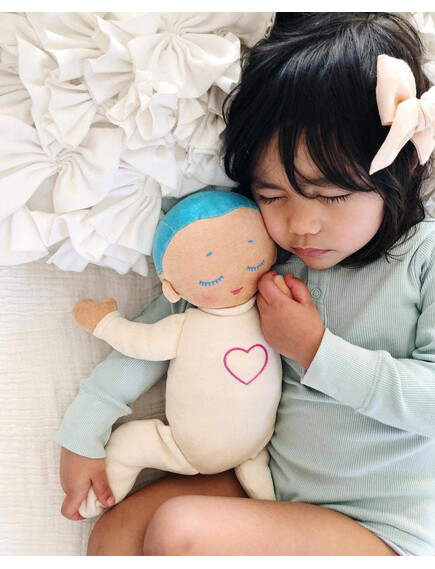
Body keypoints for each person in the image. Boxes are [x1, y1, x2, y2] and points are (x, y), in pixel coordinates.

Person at [56, 12, 435, 556]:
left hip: (387, 531)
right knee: (118, 535)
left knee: (181, 531)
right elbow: (164, 333)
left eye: (332, 196)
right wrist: (84, 430)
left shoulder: (424, 256)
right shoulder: (267, 255)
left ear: (402, 170)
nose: (300, 224)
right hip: (274, 488)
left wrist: (314, 349)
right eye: (271, 195)